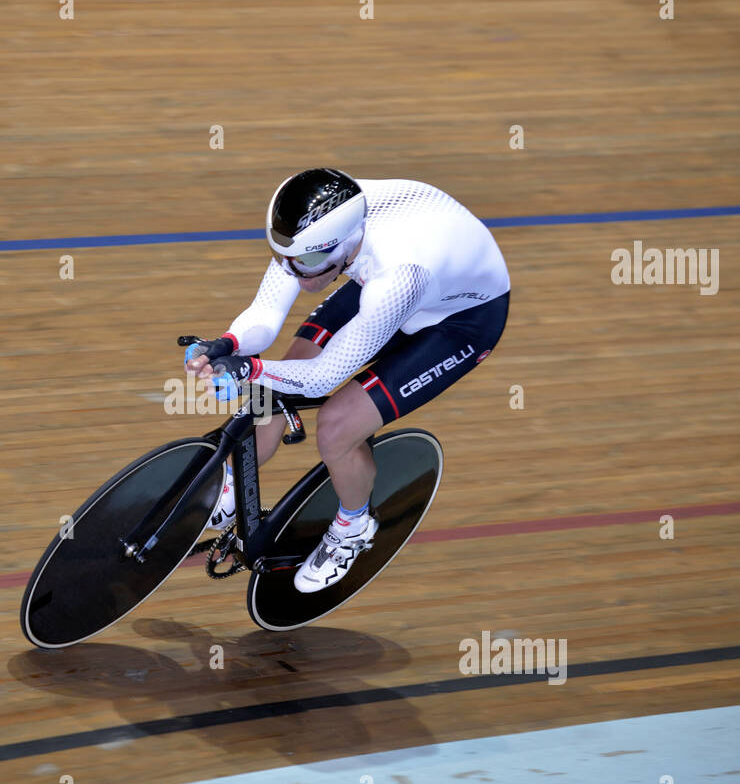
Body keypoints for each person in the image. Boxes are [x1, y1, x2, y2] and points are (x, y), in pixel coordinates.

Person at [185, 168, 510, 593]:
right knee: (286, 369)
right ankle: (235, 487)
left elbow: (325, 378)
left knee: (337, 425)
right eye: (283, 256)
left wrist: (252, 369)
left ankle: (353, 526)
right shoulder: (315, 229)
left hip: (459, 322)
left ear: (339, 249)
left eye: (306, 263)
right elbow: (265, 315)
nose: (292, 271)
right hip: (396, 275)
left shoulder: (396, 273)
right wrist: (228, 343)